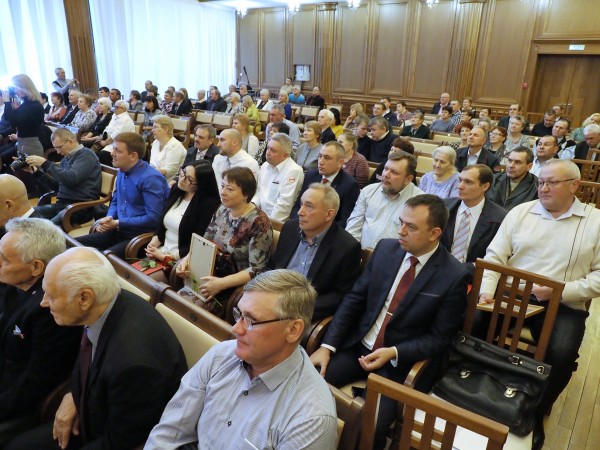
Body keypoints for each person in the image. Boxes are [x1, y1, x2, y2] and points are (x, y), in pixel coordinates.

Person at [311, 194, 470, 450]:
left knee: (370, 426)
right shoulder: (386, 249)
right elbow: (353, 300)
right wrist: (326, 347)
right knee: (309, 387)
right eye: (400, 222)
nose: (401, 231)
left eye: (411, 227)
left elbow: (440, 338)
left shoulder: (453, 275)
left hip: (398, 365)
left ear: (435, 233)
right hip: (358, 347)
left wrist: (394, 352)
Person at [6, 247, 187, 450]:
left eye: (52, 296)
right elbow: (87, 354)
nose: (43, 303)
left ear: (84, 298)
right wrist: (73, 395)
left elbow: (121, 443)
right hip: (91, 412)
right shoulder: (105, 303)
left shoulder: (133, 365)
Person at [478, 159, 600, 450]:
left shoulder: (594, 221)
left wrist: (563, 291)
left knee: (562, 353)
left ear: (574, 185)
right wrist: (487, 290)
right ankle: (476, 387)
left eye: (552, 183)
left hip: (564, 302)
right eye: (541, 182)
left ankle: (534, 412)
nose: (543, 188)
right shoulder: (521, 212)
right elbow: (495, 257)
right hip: (513, 295)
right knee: (472, 324)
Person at [145, 269, 337, 450]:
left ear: (293, 330)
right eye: (239, 315)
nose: (236, 329)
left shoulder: (311, 418)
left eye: (251, 320)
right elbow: (171, 431)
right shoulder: (221, 355)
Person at [0, 218, 80, 445]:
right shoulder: (14, 282)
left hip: (21, 399)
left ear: (36, 267)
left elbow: (36, 380)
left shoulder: (50, 310)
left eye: (4, 259)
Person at [176, 167, 273, 317]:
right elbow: (205, 241)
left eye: (230, 189)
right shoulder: (222, 209)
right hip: (210, 272)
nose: (222, 192)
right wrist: (187, 260)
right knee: (174, 301)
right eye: (222, 186)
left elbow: (257, 269)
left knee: (190, 311)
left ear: (246, 194)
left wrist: (221, 283)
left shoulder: (259, 222)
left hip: (233, 284)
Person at [272, 184, 361, 321]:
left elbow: (340, 295)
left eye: (309, 206)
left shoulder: (347, 247)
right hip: (272, 298)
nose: (300, 212)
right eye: (301, 204)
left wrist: (297, 309)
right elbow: (273, 266)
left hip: (302, 312)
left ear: (329, 214)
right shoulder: (290, 228)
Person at [77, 132, 170, 257]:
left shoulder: (151, 179)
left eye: (117, 150)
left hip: (139, 237)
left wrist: (117, 222)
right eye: (113, 149)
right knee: (73, 245)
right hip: (118, 230)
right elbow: (116, 199)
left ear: (133, 156)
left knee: (101, 259)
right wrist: (109, 218)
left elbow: (153, 218)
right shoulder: (122, 170)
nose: (112, 153)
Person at [145, 160, 220, 282]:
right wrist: (154, 242)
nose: (182, 179)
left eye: (189, 179)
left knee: (145, 281)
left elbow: (198, 242)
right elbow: (162, 224)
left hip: (181, 261)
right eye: (183, 172)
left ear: (201, 184)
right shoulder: (177, 190)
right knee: (131, 274)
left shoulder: (208, 204)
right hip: (161, 250)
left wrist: (165, 256)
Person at [346, 151, 424, 249]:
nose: (386, 175)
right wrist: (353, 251)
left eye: (394, 172)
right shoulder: (368, 191)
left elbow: (414, 242)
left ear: (408, 179)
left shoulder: (419, 203)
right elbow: (353, 227)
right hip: (359, 252)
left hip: (394, 257)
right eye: (386, 169)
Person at [441, 164, 507, 274]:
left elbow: (495, 258)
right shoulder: (443, 207)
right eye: (460, 180)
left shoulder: (500, 218)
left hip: (475, 276)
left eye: (468, 182)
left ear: (485, 187)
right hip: (438, 270)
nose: (460, 186)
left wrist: (464, 269)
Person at [26, 128, 101, 225]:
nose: (58, 152)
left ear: (70, 141)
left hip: (79, 208)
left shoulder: (86, 155)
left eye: (59, 147)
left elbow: (71, 179)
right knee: (26, 215)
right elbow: (57, 186)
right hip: (62, 205)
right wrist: (36, 172)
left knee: (44, 228)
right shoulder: (65, 160)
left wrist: (46, 164)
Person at [291, 141, 360, 227]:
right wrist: (298, 224)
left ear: (340, 162)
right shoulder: (311, 175)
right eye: (320, 156)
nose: (320, 162)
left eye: (327, 158)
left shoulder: (350, 185)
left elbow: (344, 220)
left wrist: (318, 230)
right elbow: (298, 205)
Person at [254, 133, 304, 221]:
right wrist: (251, 209)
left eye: (273, 150)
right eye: (268, 148)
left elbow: (283, 206)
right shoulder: (265, 165)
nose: (267, 153)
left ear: (285, 155)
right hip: (260, 217)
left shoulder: (294, 171)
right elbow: (258, 192)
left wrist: (267, 224)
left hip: (277, 221)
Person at [0, 74, 45, 157]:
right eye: (14, 88)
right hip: (22, 144)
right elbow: (7, 118)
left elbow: (14, 122)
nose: (16, 91)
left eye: (18, 87)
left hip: (31, 146)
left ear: (26, 87)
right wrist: (9, 104)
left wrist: (7, 102)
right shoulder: (25, 104)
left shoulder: (35, 106)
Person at [487, 146, 538, 211]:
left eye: (517, 162)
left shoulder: (536, 186)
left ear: (529, 166)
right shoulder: (492, 180)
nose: (511, 165)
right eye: (510, 160)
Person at [92, 100, 136, 164]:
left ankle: (110, 169)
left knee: (103, 154)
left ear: (124, 109)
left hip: (121, 143)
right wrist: (101, 137)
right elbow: (107, 128)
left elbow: (116, 136)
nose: (114, 108)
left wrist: (104, 142)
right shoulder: (115, 115)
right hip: (109, 141)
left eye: (116, 107)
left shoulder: (125, 120)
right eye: (114, 106)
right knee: (90, 146)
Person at [149, 115, 187, 182]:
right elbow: (152, 164)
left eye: (155, 127)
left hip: (167, 182)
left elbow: (170, 171)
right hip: (153, 178)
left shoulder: (175, 146)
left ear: (165, 129)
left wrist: (148, 172)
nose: (152, 130)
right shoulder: (156, 142)